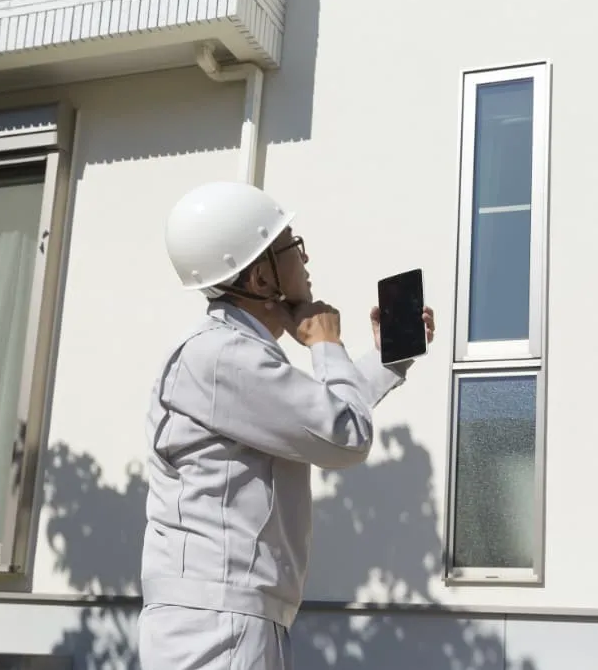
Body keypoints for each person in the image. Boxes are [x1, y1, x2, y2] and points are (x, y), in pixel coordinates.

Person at [137, 181, 435, 669]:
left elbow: (315, 418)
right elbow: (345, 437)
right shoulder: (222, 356)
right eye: (291, 245)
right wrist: (324, 343)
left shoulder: (226, 354)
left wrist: (387, 358)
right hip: (220, 624)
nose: (305, 257)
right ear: (259, 278)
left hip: (223, 618)